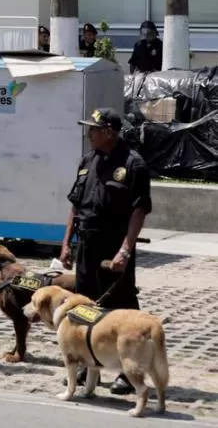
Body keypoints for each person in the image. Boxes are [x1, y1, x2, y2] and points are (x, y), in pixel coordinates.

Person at [60, 107, 151, 395]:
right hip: (87, 244)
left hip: (114, 248)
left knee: (122, 309)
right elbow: (76, 205)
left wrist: (125, 250)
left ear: (110, 131)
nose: (89, 134)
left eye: (94, 129)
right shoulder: (88, 160)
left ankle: (129, 371)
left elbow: (139, 210)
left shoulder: (133, 164)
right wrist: (66, 243)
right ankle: (90, 367)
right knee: (85, 307)